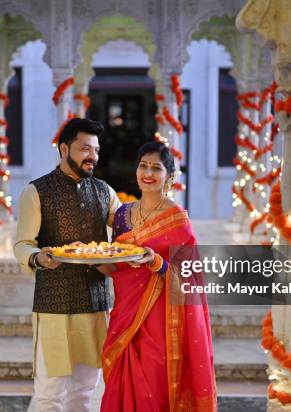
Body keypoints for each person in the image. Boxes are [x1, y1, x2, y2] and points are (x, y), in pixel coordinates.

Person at [99, 141, 217, 411]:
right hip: (125, 313)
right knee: (122, 379)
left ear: (169, 176)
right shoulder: (122, 215)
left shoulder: (176, 217)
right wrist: (87, 257)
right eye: (143, 165)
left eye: (156, 168)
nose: (148, 173)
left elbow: (191, 277)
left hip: (161, 319)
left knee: (154, 382)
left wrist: (157, 261)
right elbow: (116, 264)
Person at [14, 118, 121, 412]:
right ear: (64, 149)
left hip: (96, 302)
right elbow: (23, 244)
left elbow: (129, 230)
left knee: (86, 391)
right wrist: (38, 257)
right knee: (49, 392)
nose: (93, 156)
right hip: (54, 304)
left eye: (96, 150)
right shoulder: (37, 192)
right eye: (85, 149)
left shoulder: (104, 191)